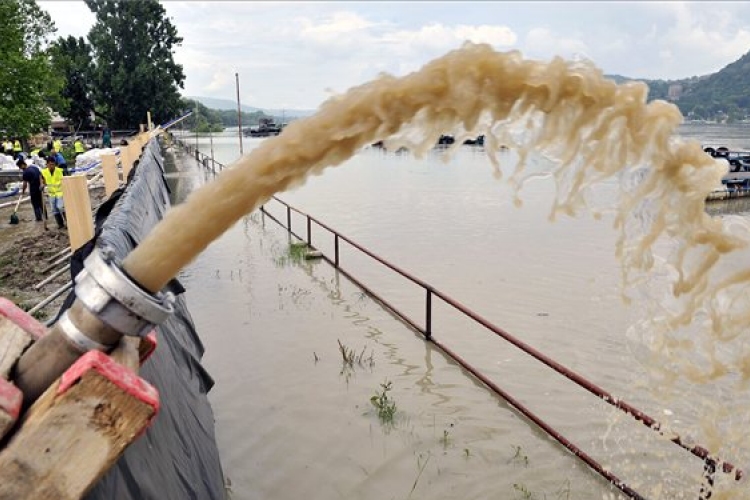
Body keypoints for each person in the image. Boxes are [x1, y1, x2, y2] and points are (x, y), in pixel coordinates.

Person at [41, 155, 66, 229]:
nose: (52, 166)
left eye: (53, 164)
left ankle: (68, 222)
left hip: (60, 192)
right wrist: (42, 184)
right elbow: (43, 180)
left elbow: (65, 180)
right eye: (50, 164)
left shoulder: (60, 171)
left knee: (60, 207)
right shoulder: (44, 172)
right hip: (51, 194)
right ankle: (60, 224)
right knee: (54, 210)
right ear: (47, 164)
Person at [16, 157, 44, 222]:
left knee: (35, 204)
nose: (20, 168)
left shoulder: (25, 173)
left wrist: (23, 191)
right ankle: (45, 216)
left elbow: (25, 184)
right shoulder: (35, 168)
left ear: (22, 165)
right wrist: (42, 184)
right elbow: (42, 176)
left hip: (33, 190)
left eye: (20, 167)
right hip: (40, 188)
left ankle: (39, 219)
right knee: (41, 202)